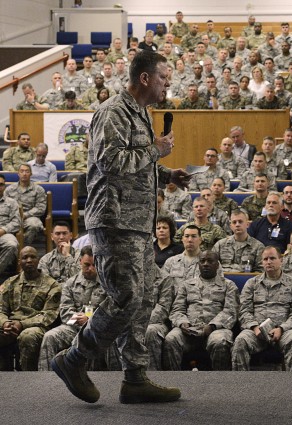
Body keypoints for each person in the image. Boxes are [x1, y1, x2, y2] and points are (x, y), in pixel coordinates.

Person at [51, 50, 187, 404]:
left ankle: (135, 378)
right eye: (163, 79)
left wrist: (169, 174)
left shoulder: (141, 113)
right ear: (144, 78)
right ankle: (74, 359)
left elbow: (136, 164)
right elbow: (111, 162)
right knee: (125, 298)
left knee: (141, 300)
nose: (166, 86)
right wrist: (156, 151)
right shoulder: (113, 111)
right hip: (114, 220)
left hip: (138, 221)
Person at [39, 245, 119, 372]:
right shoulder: (70, 283)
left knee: (105, 338)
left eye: (94, 265)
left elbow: (112, 308)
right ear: (80, 261)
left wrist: (91, 319)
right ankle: (47, 379)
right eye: (87, 264)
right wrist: (79, 318)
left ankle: (113, 380)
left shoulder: (107, 283)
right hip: (73, 327)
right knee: (50, 337)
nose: (90, 269)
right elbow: (65, 310)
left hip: (98, 328)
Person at [231, 246, 292, 372]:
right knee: (240, 341)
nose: (268, 262)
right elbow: (244, 311)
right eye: (265, 259)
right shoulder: (252, 283)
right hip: (256, 332)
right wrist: (255, 328)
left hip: (284, 331)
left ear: (281, 260)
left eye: (272, 258)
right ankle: (240, 386)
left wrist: (281, 329)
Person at [163, 250, 239, 370]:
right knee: (171, 339)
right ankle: (173, 382)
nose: (205, 264)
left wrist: (212, 326)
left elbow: (230, 312)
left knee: (220, 342)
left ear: (217, 264)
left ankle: (221, 383)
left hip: (216, 330)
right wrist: (182, 322)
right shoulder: (186, 285)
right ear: (198, 264)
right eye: (202, 261)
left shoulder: (229, 285)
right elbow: (177, 309)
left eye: (210, 261)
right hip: (189, 331)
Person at [0, 246, 60, 371]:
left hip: (37, 327)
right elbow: (1, 309)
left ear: (38, 260)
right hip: (10, 325)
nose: (29, 260)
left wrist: (21, 324)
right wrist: (5, 323)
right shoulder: (10, 283)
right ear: (19, 262)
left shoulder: (52, 285)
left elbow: (49, 315)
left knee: (27, 336)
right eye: (25, 257)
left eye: (32, 257)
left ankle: (29, 377)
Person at [4, 164, 46, 245]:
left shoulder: (38, 189)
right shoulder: (9, 189)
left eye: (27, 171)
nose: (24, 174)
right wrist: (15, 215)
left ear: (31, 174)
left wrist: (25, 215)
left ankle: (23, 247)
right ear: (18, 174)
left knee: (34, 225)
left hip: (29, 217)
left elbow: (40, 208)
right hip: (12, 217)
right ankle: (9, 246)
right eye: (22, 171)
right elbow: (4, 205)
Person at [0, 174, 21, 275]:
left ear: (4, 186)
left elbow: (16, 222)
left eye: (1, 184)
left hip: (4, 233)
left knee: (12, 244)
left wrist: (3, 230)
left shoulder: (12, 202)